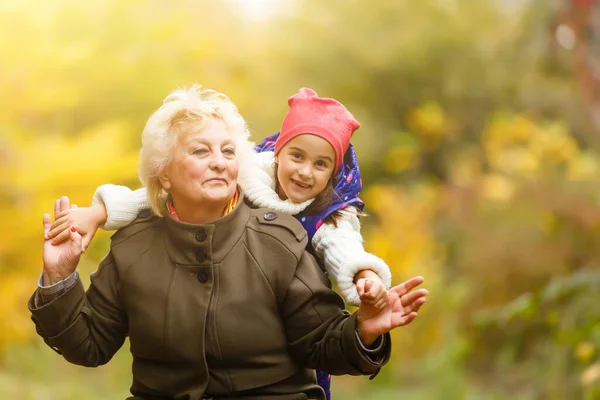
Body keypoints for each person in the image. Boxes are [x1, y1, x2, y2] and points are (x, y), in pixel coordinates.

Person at [29, 85, 428, 400]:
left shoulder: (280, 240)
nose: (219, 161)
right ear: (163, 174)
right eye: (201, 151)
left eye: (227, 151)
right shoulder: (132, 247)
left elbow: (321, 345)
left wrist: (363, 330)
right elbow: (89, 346)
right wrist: (59, 278)